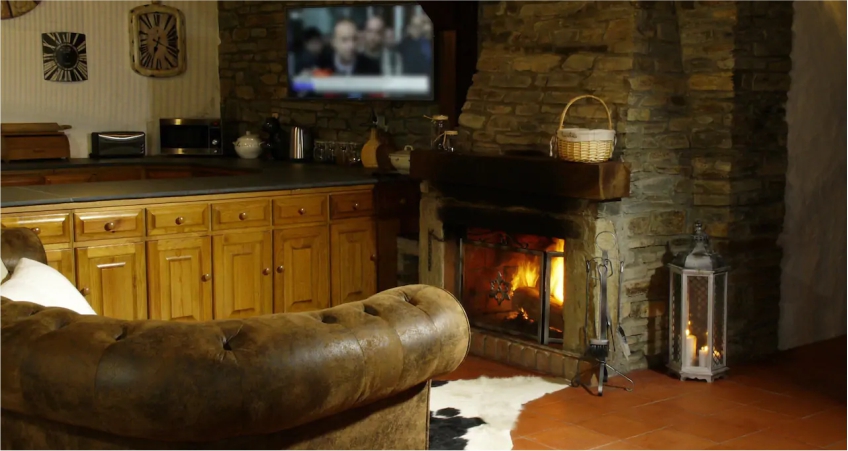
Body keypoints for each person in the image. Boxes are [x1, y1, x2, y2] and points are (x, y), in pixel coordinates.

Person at [316, 19, 381, 76]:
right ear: (334, 43)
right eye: (345, 40)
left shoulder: (371, 68)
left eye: (354, 39)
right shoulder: (321, 65)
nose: (351, 45)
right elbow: (312, 85)